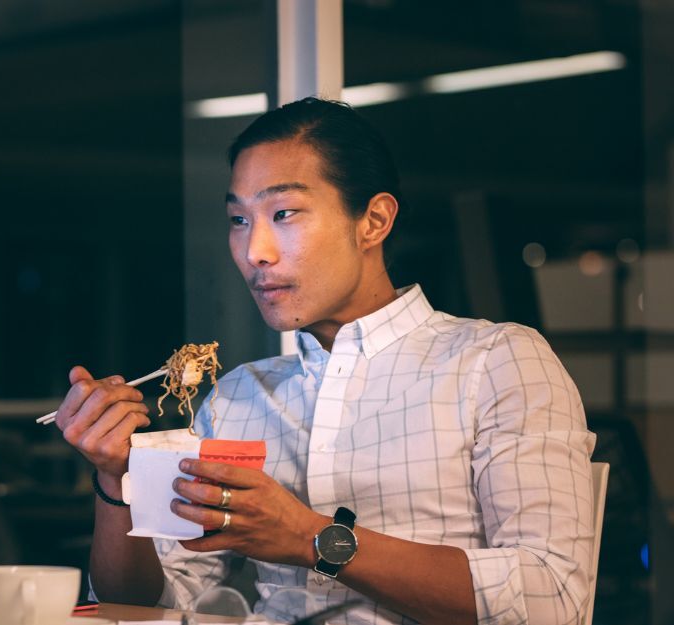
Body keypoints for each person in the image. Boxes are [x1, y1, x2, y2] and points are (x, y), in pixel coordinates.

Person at [52, 98, 596, 625]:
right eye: (239, 220)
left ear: (374, 221)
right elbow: (143, 608)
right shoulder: (240, 395)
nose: (255, 251)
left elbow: (551, 597)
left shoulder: (496, 360)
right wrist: (114, 479)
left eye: (283, 213)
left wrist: (312, 539)